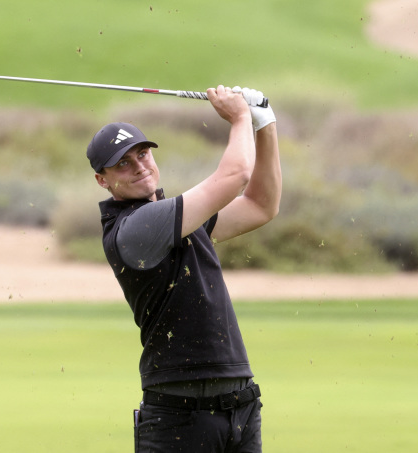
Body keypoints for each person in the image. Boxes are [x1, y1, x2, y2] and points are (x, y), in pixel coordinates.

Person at [86, 85, 281, 453]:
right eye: (123, 163)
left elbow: (260, 205)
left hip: (240, 408)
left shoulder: (180, 220)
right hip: (181, 420)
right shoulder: (136, 229)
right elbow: (234, 176)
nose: (140, 166)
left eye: (143, 154)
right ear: (103, 179)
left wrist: (264, 123)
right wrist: (240, 118)